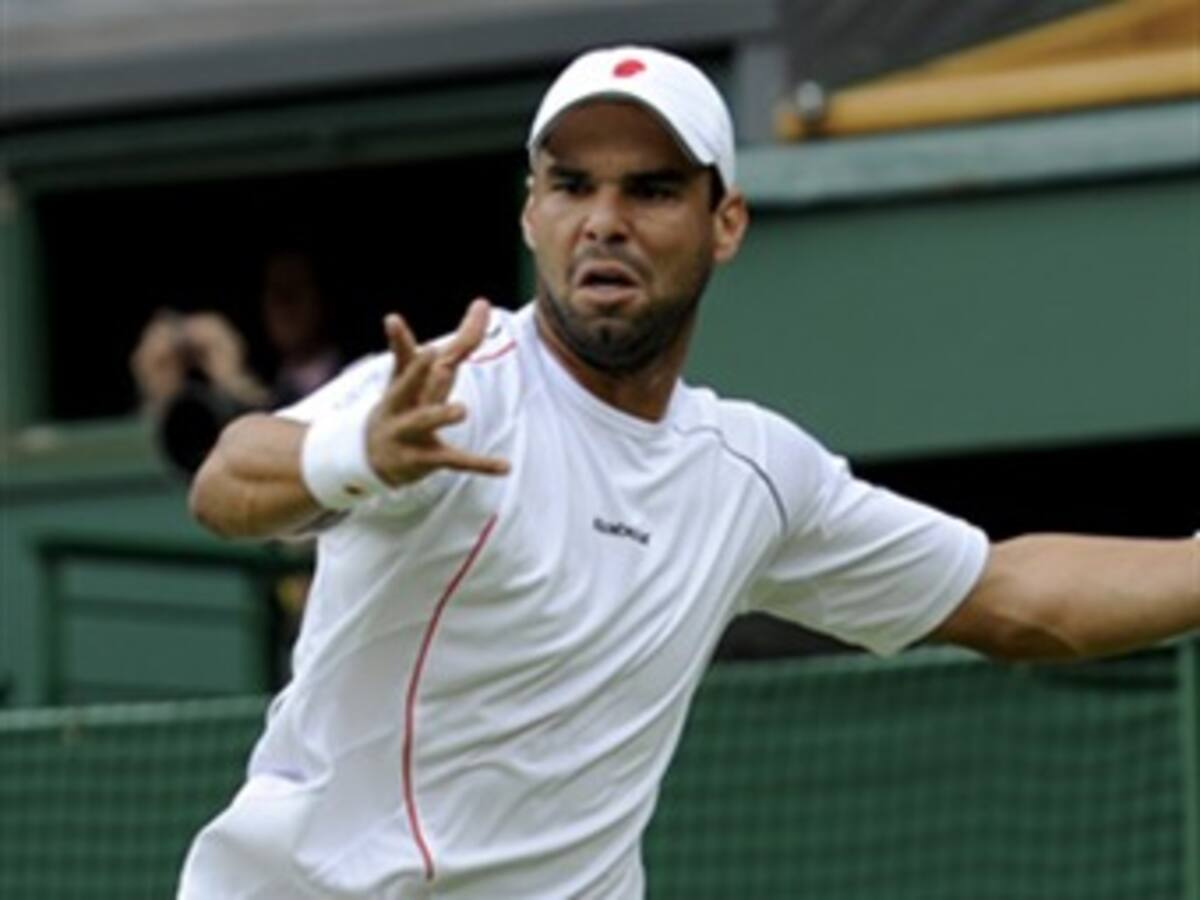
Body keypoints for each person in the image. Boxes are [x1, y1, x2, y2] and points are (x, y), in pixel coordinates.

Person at [177, 46, 1199, 898]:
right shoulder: (452, 390)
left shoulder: (754, 474)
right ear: (531, 214)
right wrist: (358, 453)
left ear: (727, 224)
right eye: (571, 185)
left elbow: (1015, 598)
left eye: (652, 188)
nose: (604, 220)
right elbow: (231, 477)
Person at [130, 248, 342, 475]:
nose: (284, 304)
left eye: (295, 290)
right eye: (275, 292)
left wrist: (235, 385)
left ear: (323, 295)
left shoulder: (361, 376)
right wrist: (160, 401)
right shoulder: (268, 381)